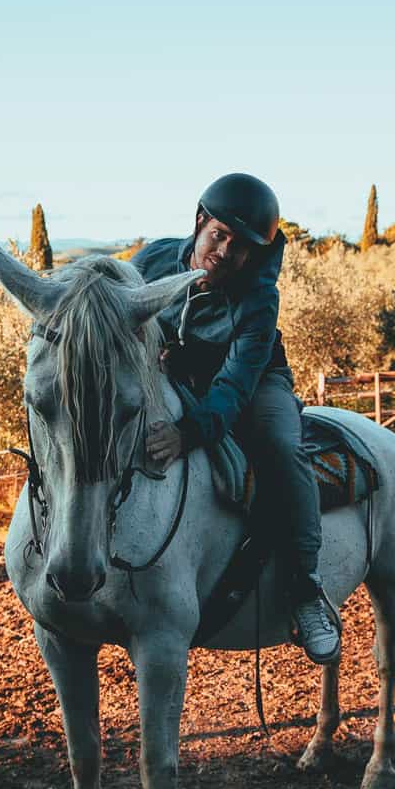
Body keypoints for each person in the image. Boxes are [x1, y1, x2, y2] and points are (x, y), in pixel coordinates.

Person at [133, 172, 341, 665]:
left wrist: (188, 434)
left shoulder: (259, 298)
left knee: (282, 446)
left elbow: (233, 387)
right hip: (176, 372)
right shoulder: (150, 262)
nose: (225, 251)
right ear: (200, 222)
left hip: (254, 381)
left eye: (240, 246)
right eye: (219, 235)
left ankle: (306, 589)